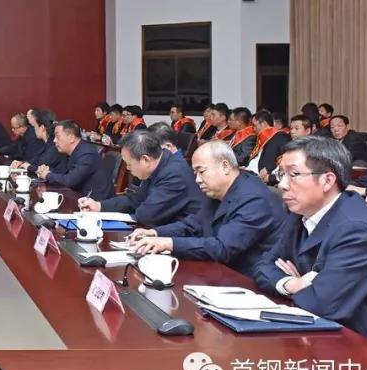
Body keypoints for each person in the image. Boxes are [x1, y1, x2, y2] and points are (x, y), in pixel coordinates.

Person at [254, 136, 367, 364]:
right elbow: (263, 266)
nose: (282, 184)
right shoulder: (301, 213)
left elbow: (320, 305)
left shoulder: (357, 229)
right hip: (333, 338)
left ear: (327, 180)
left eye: (293, 174)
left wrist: (307, 288)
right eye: (281, 174)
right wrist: (293, 284)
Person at [128, 141, 288, 280]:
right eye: (195, 173)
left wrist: (168, 243)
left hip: (249, 281)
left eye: (201, 171)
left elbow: (223, 248)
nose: (197, 179)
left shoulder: (253, 199)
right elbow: (193, 225)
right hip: (221, 273)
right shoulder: (218, 191)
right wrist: (155, 233)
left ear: (225, 166)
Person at [79, 129, 204, 228]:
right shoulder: (158, 165)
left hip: (185, 238)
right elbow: (134, 200)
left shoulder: (174, 174)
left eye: (129, 164)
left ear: (145, 159)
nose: (128, 168)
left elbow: (146, 216)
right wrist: (99, 206)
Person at [38, 120, 111, 199]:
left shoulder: (86, 154)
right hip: (78, 197)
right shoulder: (69, 152)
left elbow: (70, 181)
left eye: (57, 136)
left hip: (96, 202)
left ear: (71, 138)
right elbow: (62, 172)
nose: (54, 140)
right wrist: (46, 170)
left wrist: (47, 175)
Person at [14, 111, 60, 176]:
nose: (34, 129)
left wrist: (28, 166)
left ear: (42, 128)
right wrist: (22, 163)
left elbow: (40, 164)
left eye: (35, 126)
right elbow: (35, 160)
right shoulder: (46, 144)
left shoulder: (54, 146)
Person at [250, 111, 290, 184]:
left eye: (254, 125)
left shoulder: (280, 137)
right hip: (254, 174)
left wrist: (268, 168)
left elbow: (284, 158)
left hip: (267, 178)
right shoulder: (259, 138)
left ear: (263, 124)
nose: (253, 129)